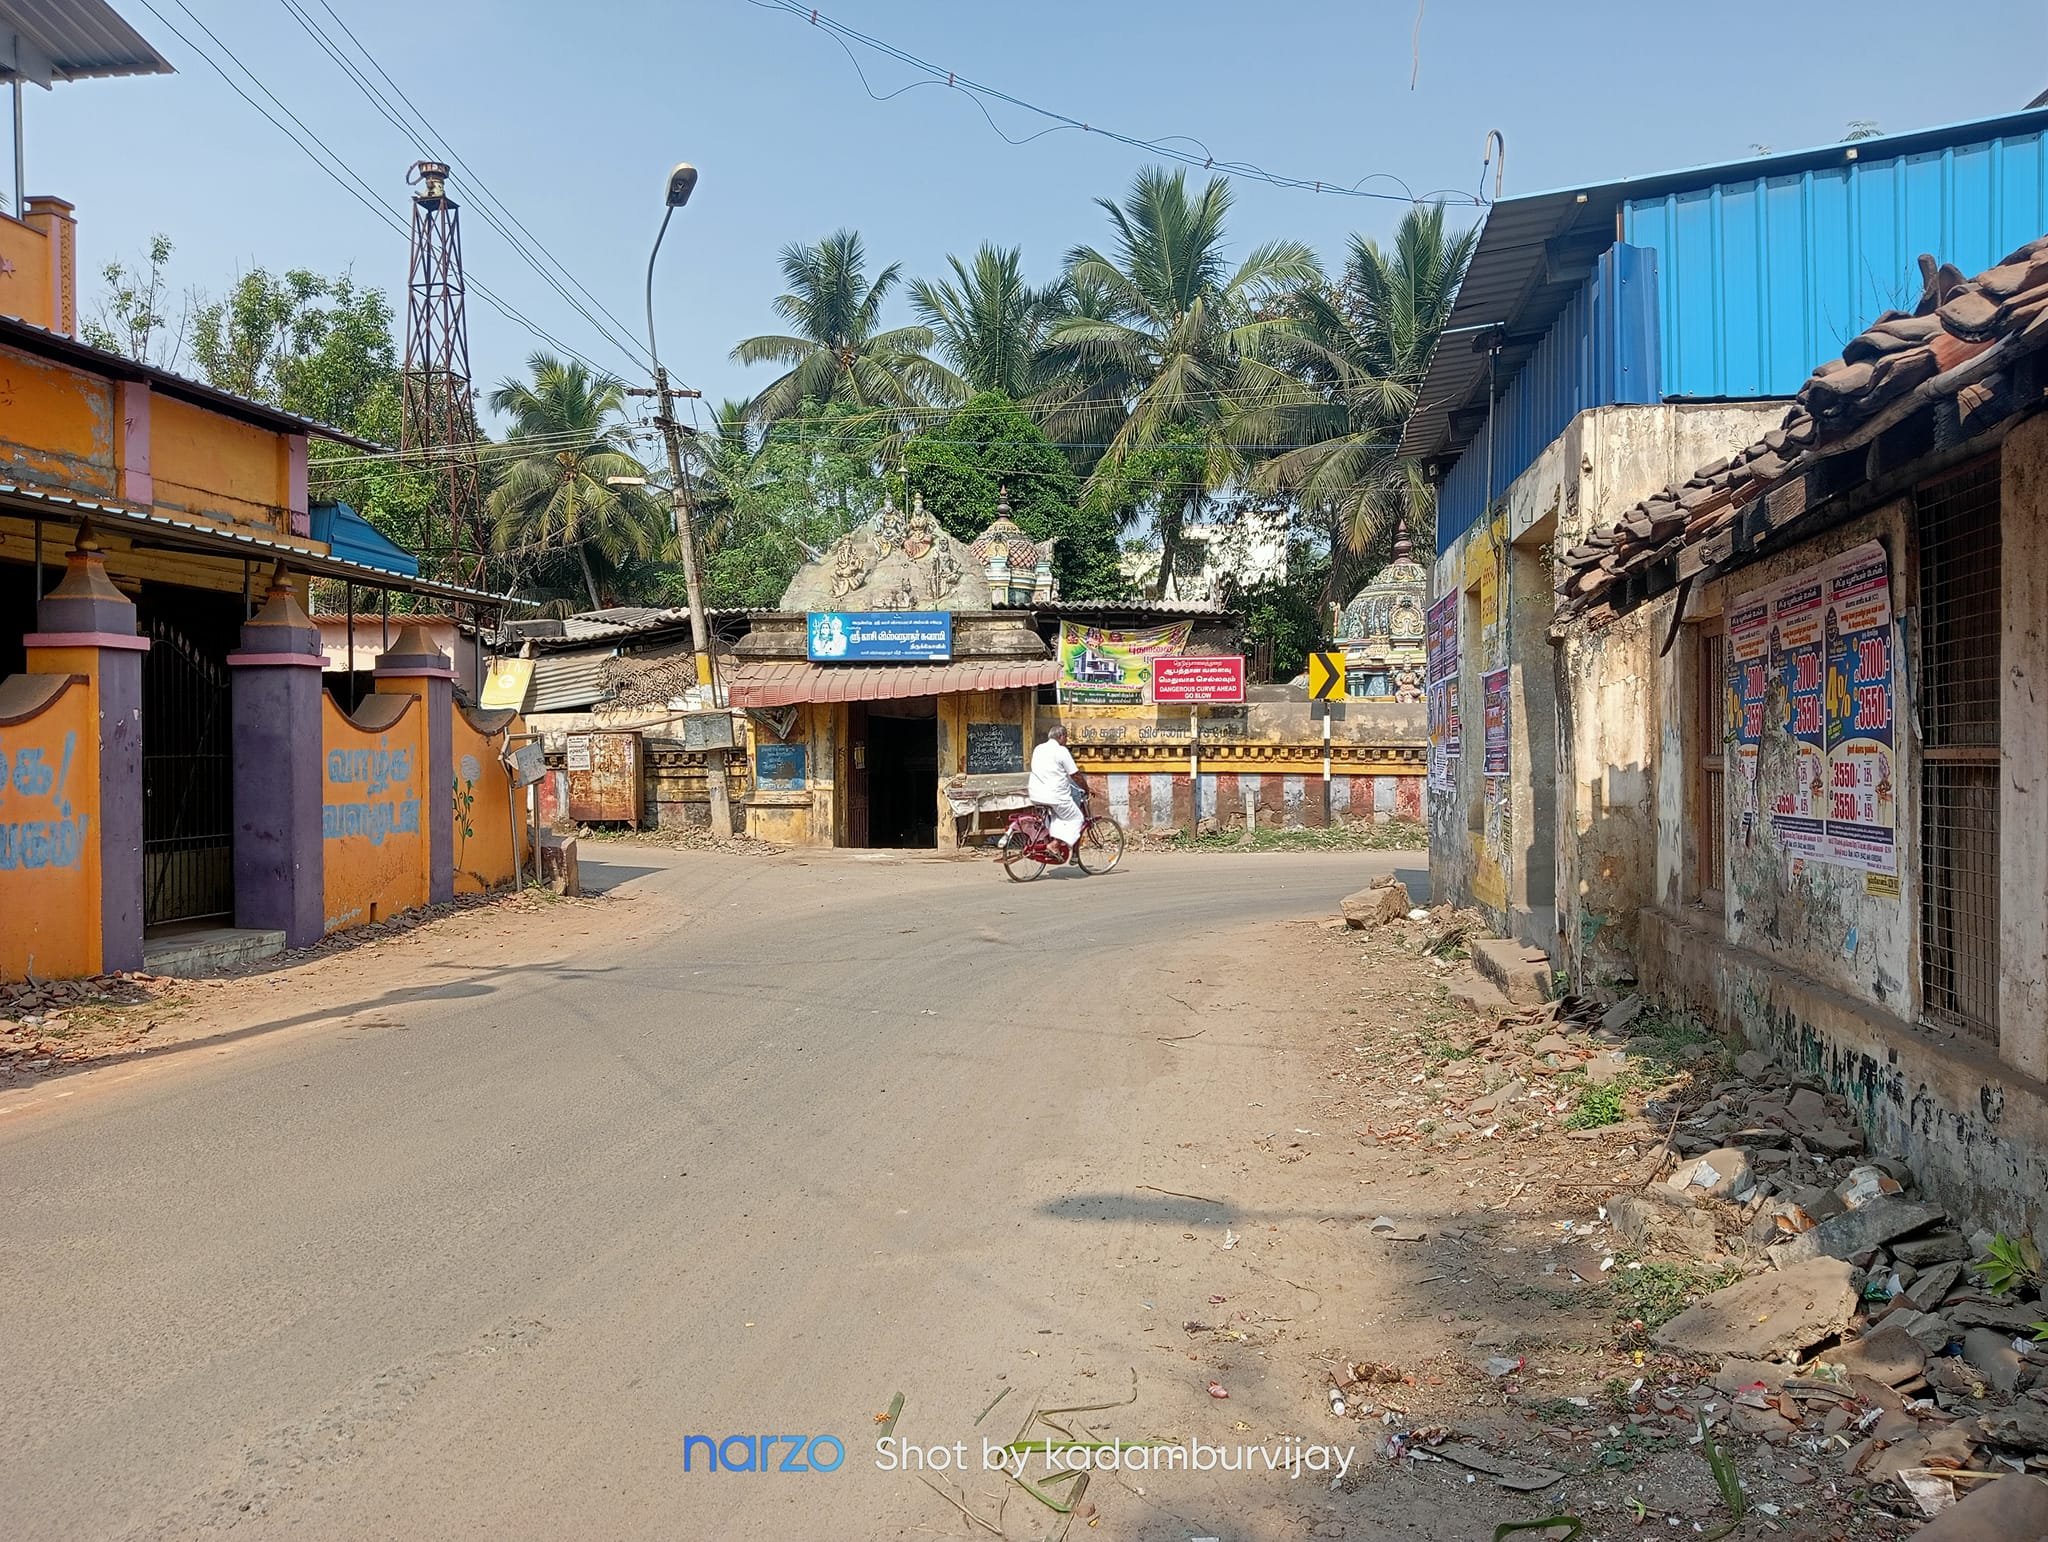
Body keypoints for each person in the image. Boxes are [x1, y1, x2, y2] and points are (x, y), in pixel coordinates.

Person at [1027, 724, 1088, 863]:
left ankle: (1061, 847)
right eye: (1066, 737)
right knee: (1077, 818)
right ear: (1061, 737)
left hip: (1036, 794)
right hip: (1054, 796)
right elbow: (1075, 775)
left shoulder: (1038, 749)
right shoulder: (1061, 751)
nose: (1066, 741)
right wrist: (1087, 788)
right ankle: (1054, 845)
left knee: (1058, 817)